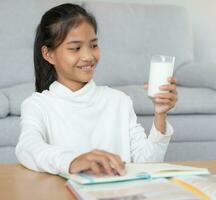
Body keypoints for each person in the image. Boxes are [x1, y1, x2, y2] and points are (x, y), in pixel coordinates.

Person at [15, 3, 178, 176]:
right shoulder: (38, 105)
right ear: (48, 54)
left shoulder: (119, 101)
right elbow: (27, 148)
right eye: (75, 48)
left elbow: (146, 164)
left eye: (93, 45)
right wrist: (73, 161)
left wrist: (160, 115)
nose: (88, 57)